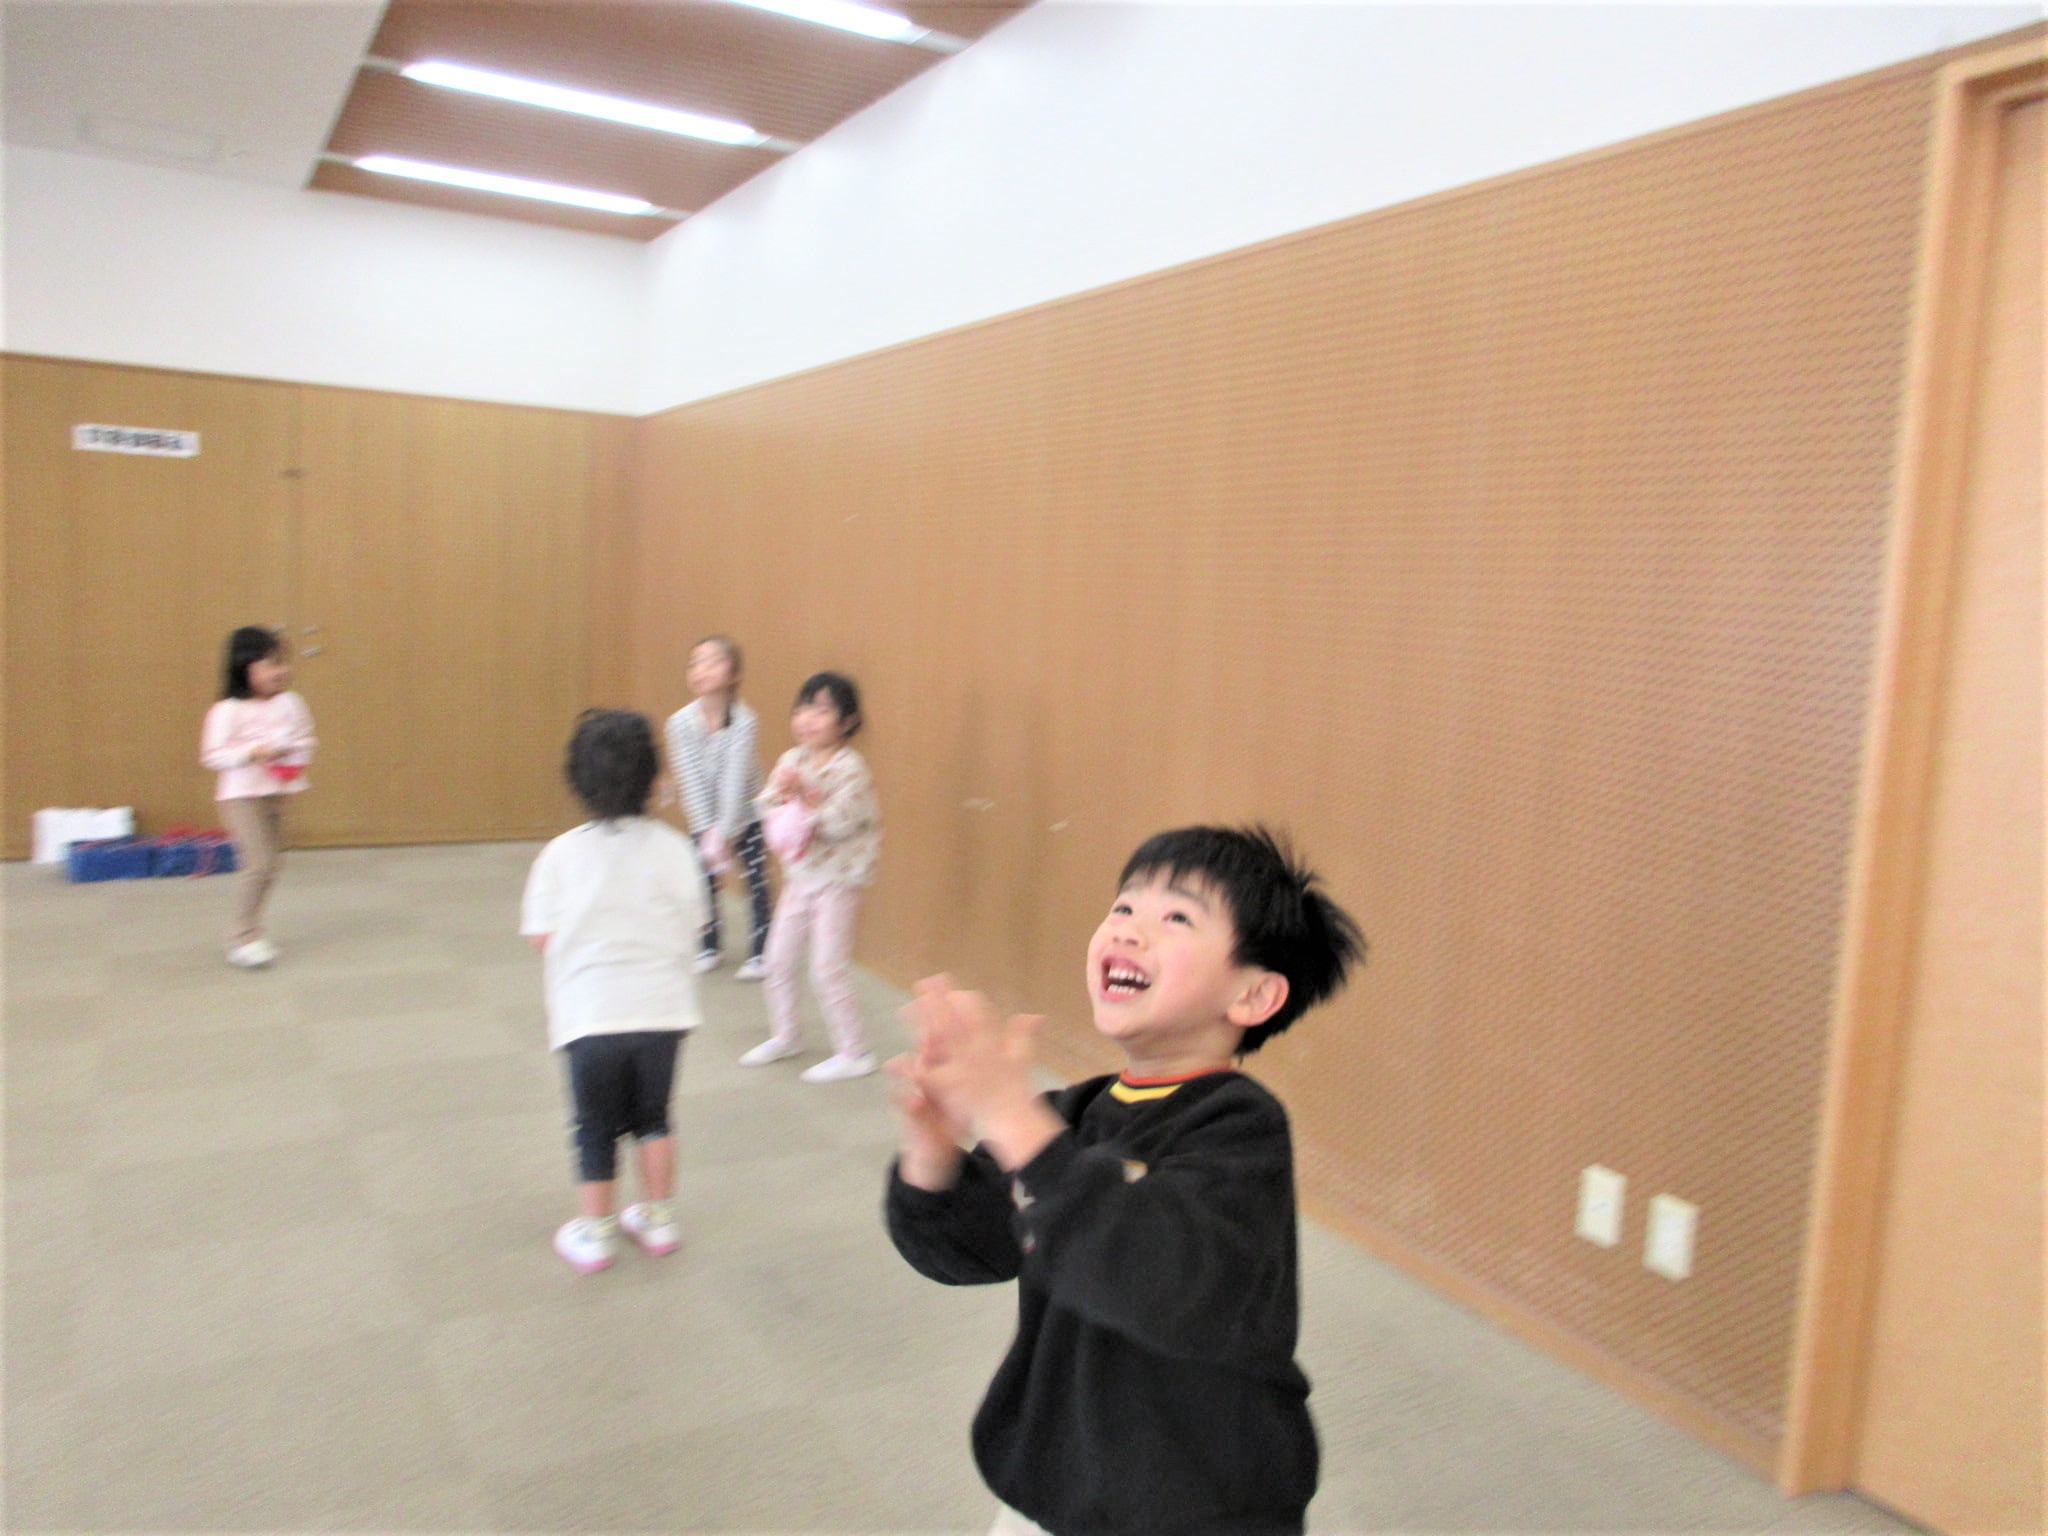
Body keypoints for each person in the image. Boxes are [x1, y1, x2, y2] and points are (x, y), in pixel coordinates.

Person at [885, 825, 1365, 1536]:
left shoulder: (1239, 1127)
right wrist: (932, 1157)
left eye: (1177, 917)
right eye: (1123, 907)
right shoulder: (1070, 1116)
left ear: (1254, 995)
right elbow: (971, 1250)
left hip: (1200, 1504)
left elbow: (1158, 1275)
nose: (1130, 929)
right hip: (1057, 1484)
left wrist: (1010, 1117)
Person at [521, 710, 707, 1274]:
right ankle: (659, 1218)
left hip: (590, 1016)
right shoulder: (676, 848)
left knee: (595, 1128)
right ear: (653, 779)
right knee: (654, 1117)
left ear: (576, 781)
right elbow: (696, 922)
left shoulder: (560, 855)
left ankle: (597, 1231)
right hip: (663, 1012)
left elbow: (542, 937)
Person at [739, 671, 881, 1083]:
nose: (807, 719)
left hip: (840, 879)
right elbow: (766, 806)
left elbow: (838, 823)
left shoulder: (852, 768)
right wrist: (784, 794)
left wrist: (805, 795)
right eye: (802, 709)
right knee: (777, 959)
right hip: (801, 877)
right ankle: (787, 1035)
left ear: (847, 721)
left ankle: (855, 1052)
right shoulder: (792, 759)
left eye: (821, 711)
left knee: (827, 967)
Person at [199, 626, 316, 969]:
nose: (280, 671)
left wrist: (293, 753)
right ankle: (242, 937)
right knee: (259, 864)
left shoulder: (291, 702)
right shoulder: (228, 710)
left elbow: (306, 737)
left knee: (272, 865)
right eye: (270, 664)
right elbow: (213, 755)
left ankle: (252, 930)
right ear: (244, 668)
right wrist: (253, 753)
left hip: (276, 791)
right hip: (240, 796)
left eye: (282, 663)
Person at [664, 634, 773, 980]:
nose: (702, 669)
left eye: (713, 662)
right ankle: (709, 944)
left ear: (734, 674)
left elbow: (735, 780)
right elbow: (689, 780)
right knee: (703, 880)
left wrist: (724, 834)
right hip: (705, 819)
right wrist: (706, 831)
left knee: (756, 880)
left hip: (746, 813)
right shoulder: (679, 723)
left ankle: (762, 952)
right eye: (695, 663)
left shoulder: (744, 721)